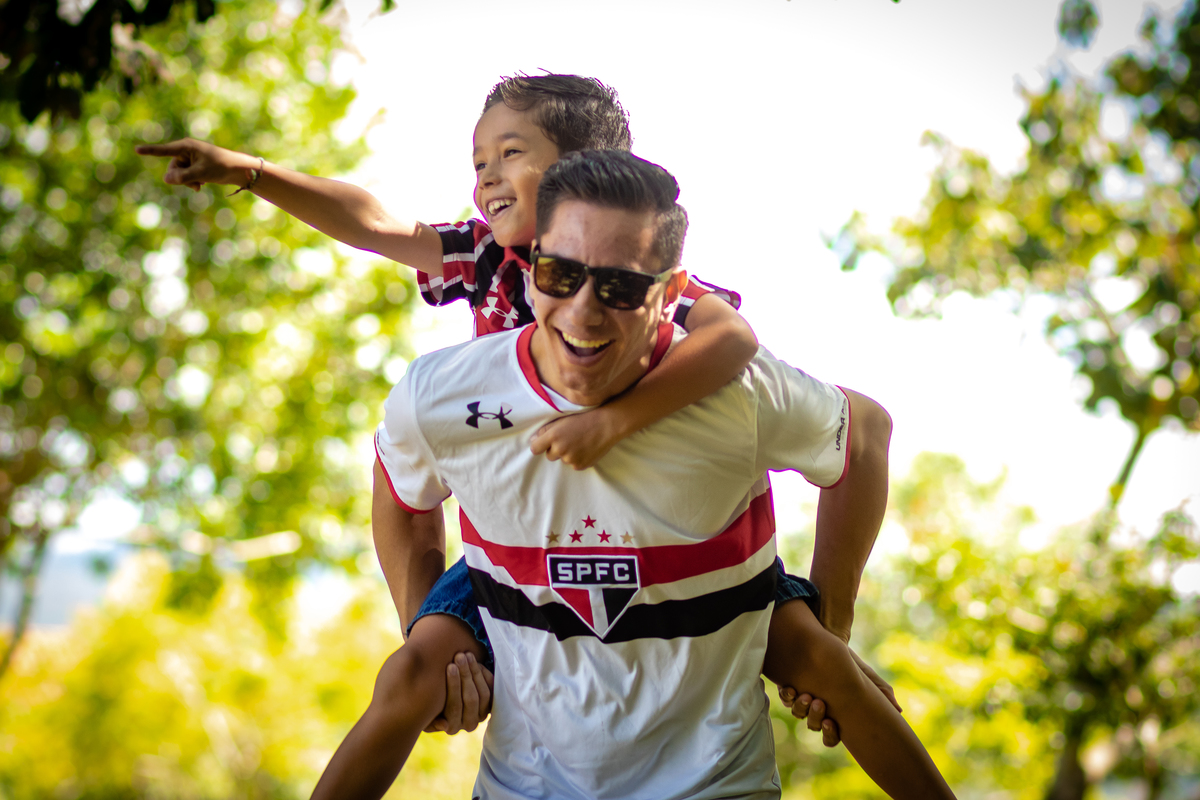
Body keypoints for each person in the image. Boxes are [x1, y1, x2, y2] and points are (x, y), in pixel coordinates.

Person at [135, 74, 868, 746]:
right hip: (518, 546)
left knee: (827, 665)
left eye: (509, 152)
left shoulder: (633, 271)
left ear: (582, 170)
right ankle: (452, 659)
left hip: (663, 534)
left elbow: (732, 337)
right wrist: (252, 172)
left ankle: (833, 665)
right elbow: (372, 221)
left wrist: (620, 419)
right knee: (411, 674)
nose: (484, 173)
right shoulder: (483, 256)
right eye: (477, 158)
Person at [365, 150, 955, 799]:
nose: (586, 311)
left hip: (716, 782)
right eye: (561, 274)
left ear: (671, 294)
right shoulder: (445, 394)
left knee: (824, 663)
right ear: (531, 266)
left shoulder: (739, 397)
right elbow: (401, 485)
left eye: (620, 288)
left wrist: (829, 620)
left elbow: (863, 434)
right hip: (524, 785)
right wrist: (423, 622)